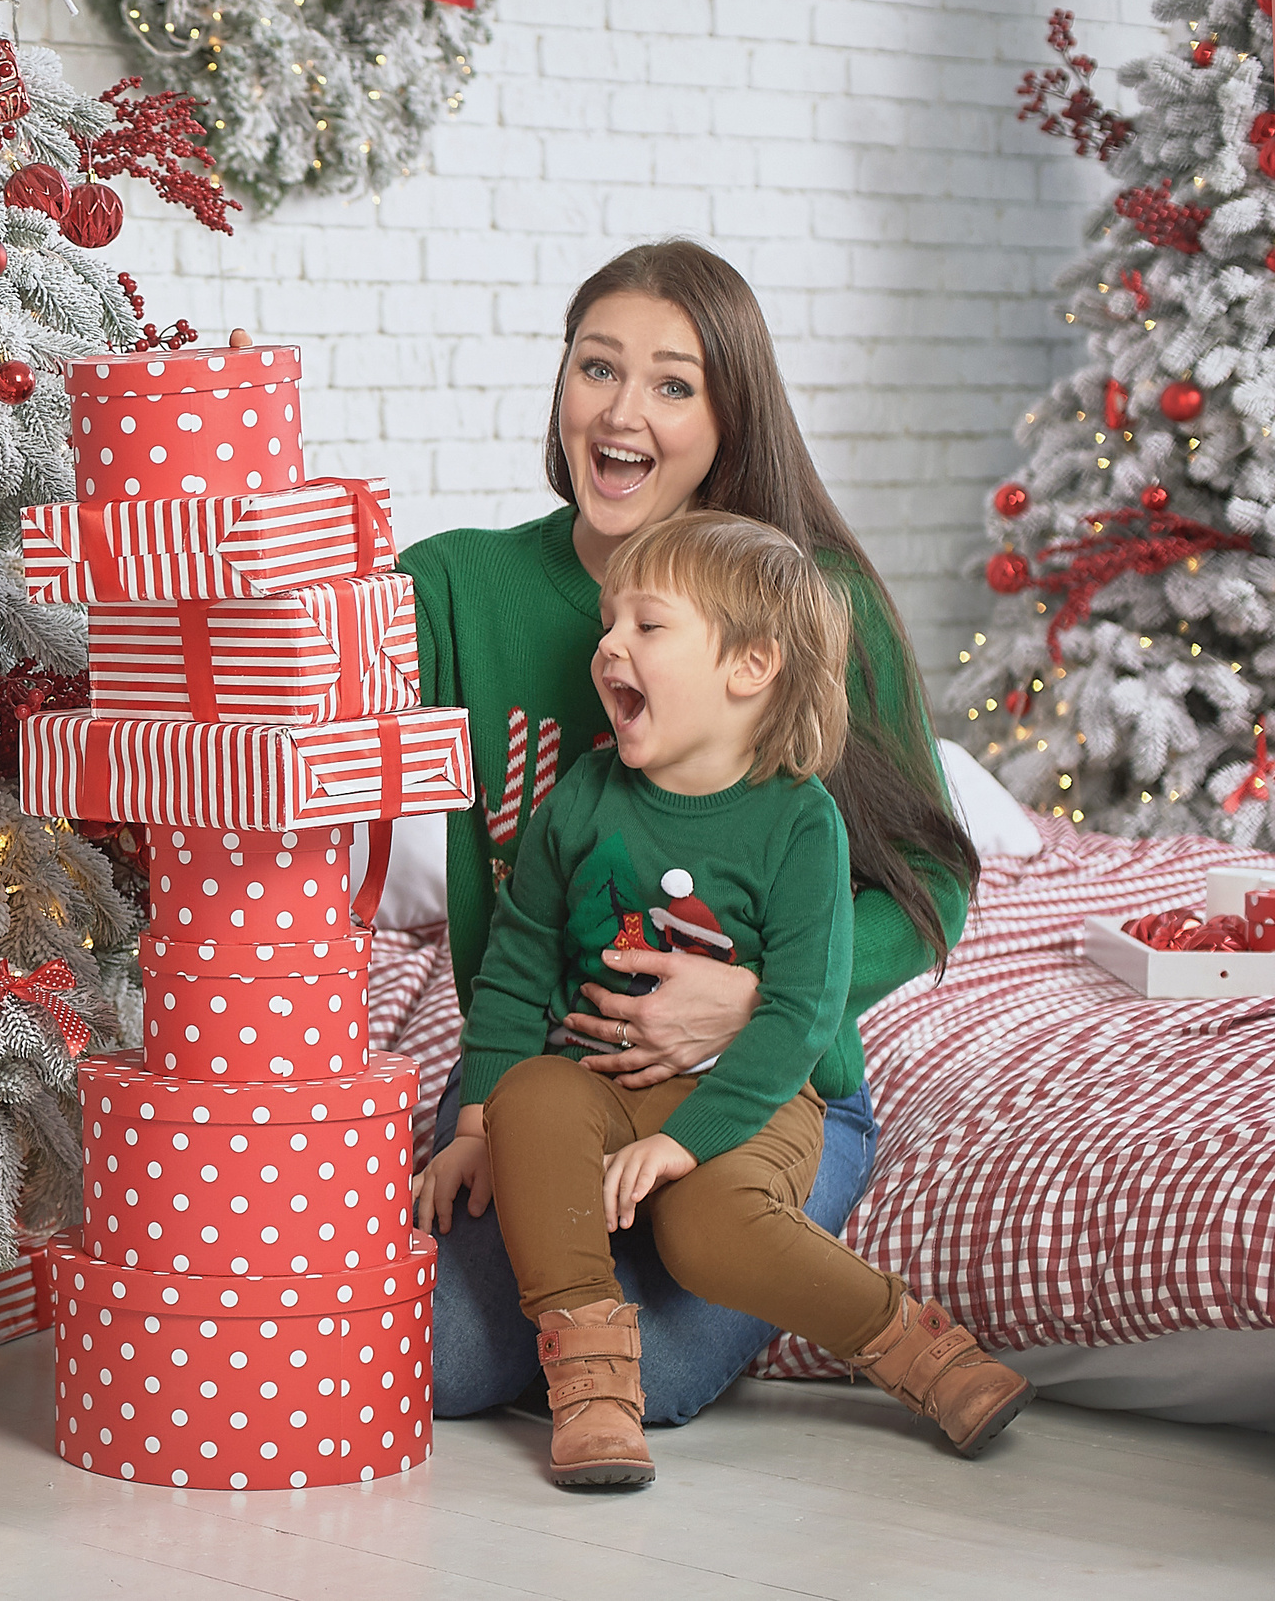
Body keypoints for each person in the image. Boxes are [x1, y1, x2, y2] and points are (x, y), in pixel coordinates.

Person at [245, 240, 979, 1423]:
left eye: (673, 383)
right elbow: (292, 684)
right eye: (597, 368)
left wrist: (759, 1000)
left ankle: (881, 1331)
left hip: (767, 1079)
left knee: (668, 1378)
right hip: (539, 1083)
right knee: (435, 1367)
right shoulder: (457, 587)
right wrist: (237, 467)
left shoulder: (811, 603)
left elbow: (932, 881)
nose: (622, 410)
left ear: (728, 419)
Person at [421, 512, 1031, 1486]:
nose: (607, 644)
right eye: (607, 622)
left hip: (754, 1098)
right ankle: (590, 1383)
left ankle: (915, 1347)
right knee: (532, 1098)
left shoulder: (798, 825)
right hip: (598, 1084)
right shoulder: (578, 801)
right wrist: (470, 1121)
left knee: (707, 1232)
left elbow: (795, 1015)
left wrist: (683, 1142)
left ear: (748, 669)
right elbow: (515, 961)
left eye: (646, 627)